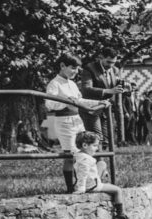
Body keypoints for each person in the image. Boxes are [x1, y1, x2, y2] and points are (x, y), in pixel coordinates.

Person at [45, 53, 111, 192]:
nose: (75, 72)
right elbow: (49, 104)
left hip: (77, 119)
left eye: (77, 69)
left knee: (83, 151)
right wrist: (66, 103)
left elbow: (80, 101)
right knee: (70, 155)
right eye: (72, 68)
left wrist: (99, 102)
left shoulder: (73, 84)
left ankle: (85, 182)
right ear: (62, 66)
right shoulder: (54, 84)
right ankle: (71, 186)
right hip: (64, 122)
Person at [74, 131, 129, 219]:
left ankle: (103, 176)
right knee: (118, 190)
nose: (96, 148)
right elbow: (83, 174)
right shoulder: (86, 159)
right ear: (85, 145)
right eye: (95, 146)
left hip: (90, 180)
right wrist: (81, 188)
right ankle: (120, 213)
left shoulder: (79, 155)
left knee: (102, 164)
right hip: (91, 185)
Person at [79, 48, 124, 143]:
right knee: (96, 137)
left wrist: (125, 86)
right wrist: (109, 91)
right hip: (92, 109)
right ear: (101, 57)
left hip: (106, 109)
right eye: (108, 62)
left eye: (113, 62)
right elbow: (86, 89)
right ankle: (95, 157)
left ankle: (103, 157)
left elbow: (115, 84)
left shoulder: (114, 69)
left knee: (107, 139)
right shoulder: (89, 68)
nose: (110, 65)